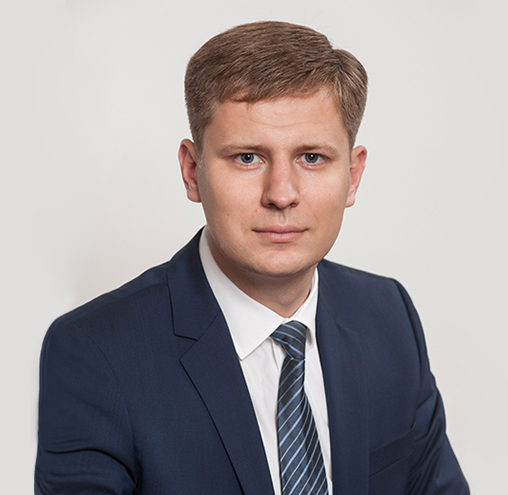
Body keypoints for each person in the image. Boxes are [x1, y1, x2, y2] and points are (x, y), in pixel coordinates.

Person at [35, 21, 469, 495]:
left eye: (311, 158)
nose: (281, 194)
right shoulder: (93, 355)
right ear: (193, 171)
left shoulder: (388, 316)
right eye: (247, 157)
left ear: (353, 173)